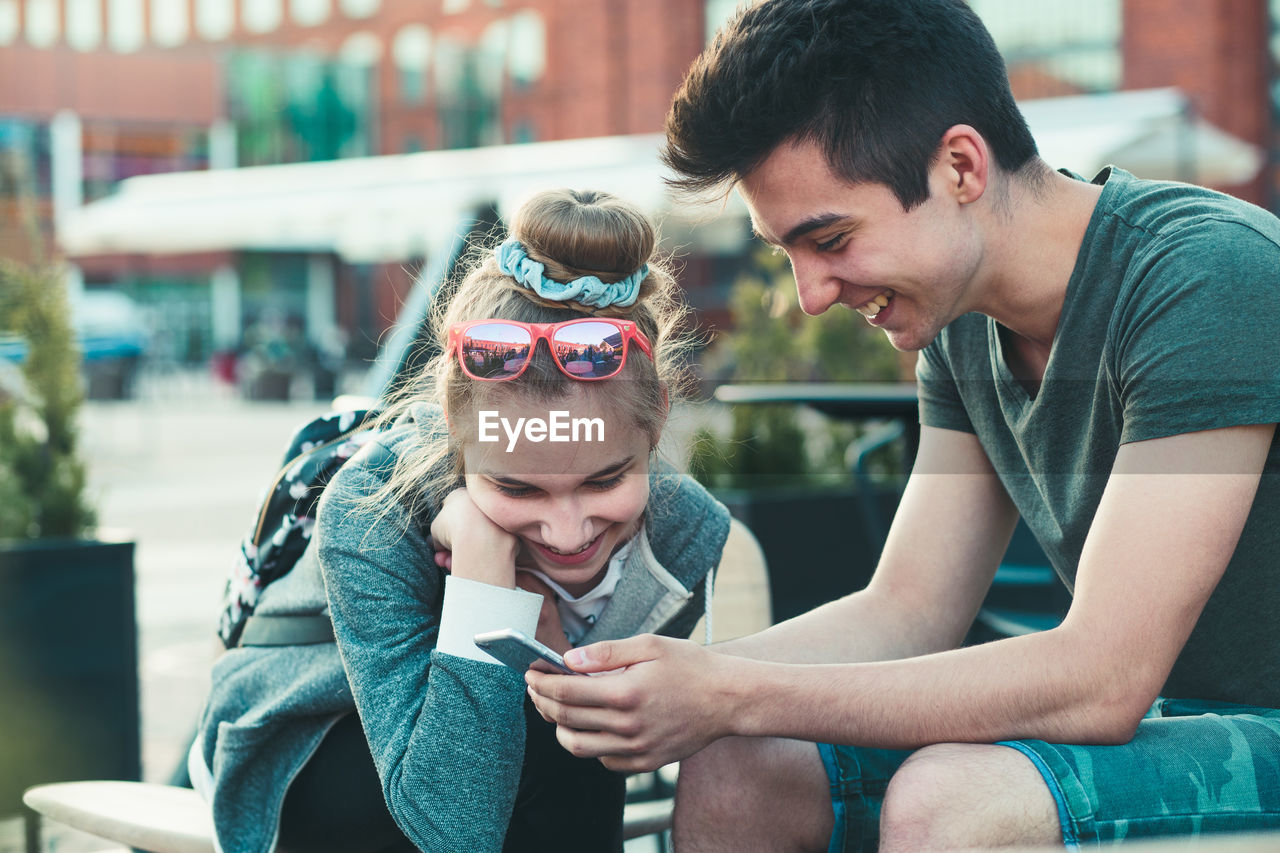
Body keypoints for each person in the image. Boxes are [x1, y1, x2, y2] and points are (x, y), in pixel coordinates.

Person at [526, 1, 1280, 850]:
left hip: (1254, 722)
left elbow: (1101, 678)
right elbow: (908, 610)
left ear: (961, 165)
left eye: (832, 238)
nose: (811, 293)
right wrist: (669, 682)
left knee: (950, 798)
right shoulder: (960, 323)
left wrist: (730, 689)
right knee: (741, 763)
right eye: (788, 254)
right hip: (1165, 726)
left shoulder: (1206, 279)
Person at [189, 188, 739, 853]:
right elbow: (451, 825)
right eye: (518, 487)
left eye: (603, 480)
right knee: (539, 731)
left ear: (656, 419)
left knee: (570, 728)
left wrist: (558, 648)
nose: (568, 532)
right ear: (457, 432)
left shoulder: (682, 538)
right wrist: (484, 578)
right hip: (314, 738)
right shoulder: (369, 507)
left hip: (512, 776)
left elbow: (607, 759)